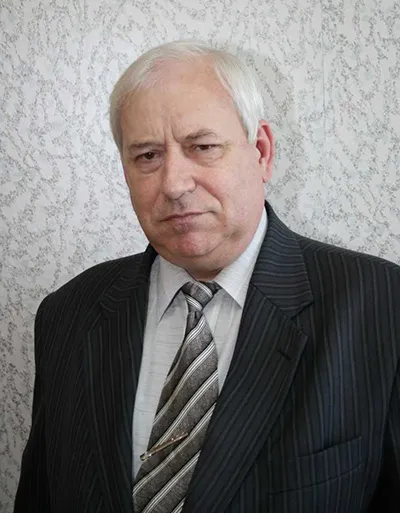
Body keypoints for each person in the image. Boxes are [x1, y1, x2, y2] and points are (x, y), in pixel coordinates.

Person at [14, 40, 399, 513]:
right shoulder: (67, 314)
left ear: (261, 152)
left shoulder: (381, 305)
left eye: (203, 146)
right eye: (147, 156)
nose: (174, 184)